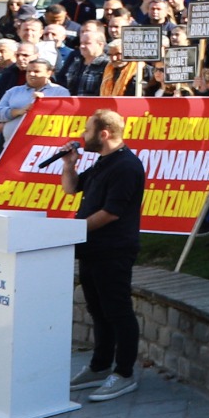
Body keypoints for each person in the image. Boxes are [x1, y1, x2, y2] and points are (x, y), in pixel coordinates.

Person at [64, 109, 149, 403]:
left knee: (117, 310)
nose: (82, 137)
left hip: (114, 249)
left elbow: (111, 213)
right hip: (91, 248)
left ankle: (124, 372)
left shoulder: (126, 166)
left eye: (87, 131)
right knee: (97, 310)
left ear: (103, 134)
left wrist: (70, 232)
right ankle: (100, 366)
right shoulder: (103, 162)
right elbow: (71, 189)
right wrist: (68, 165)